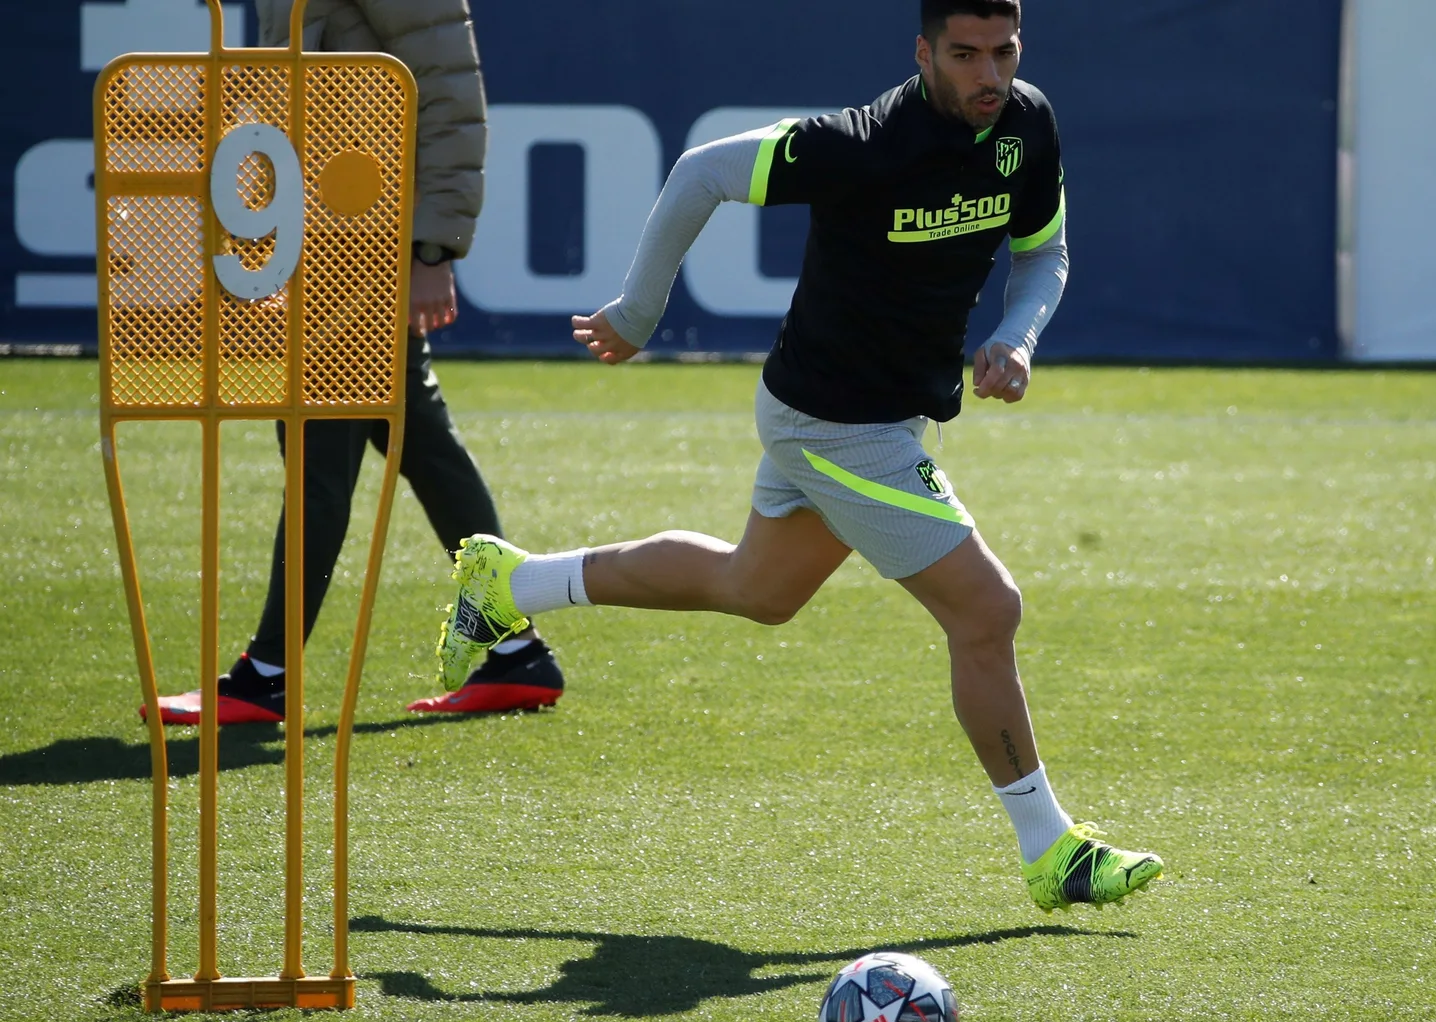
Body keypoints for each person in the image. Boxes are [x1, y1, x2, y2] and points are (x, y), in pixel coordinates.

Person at [438, 0, 1162, 912]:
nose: (989, 74)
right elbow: (701, 173)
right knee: (988, 609)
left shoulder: (1027, 123)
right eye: (966, 53)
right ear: (923, 52)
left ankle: (511, 583)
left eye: (1005, 51)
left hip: (878, 418)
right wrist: (637, 313)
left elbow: (1043, 253)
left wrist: (1016, 339)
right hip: (833, 424)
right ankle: (1049, 848)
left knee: (759, 590)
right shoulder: (860, 143)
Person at [144, 0, 563, 725]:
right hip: (328, 230)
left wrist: (431, 248)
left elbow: (452, 91)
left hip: (361, 231)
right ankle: (512, 651)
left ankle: (267, 674)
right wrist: (266, 236)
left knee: (317, 446)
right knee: (418, 442)